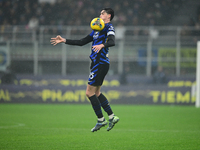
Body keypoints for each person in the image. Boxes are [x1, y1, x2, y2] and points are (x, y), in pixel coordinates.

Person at [50, 8, 119, 132]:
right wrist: (64, 40)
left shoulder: (109, 27)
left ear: (109, 16)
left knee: (89, 93)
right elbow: (82, 42)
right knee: (96, 92)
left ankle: (101, 120)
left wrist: (102, 45)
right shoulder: (97, 30)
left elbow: (112, 41)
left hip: (100, 62)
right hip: (97, 63)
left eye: (103, 13)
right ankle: (112, 117)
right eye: (100, 13)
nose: (100, 14)